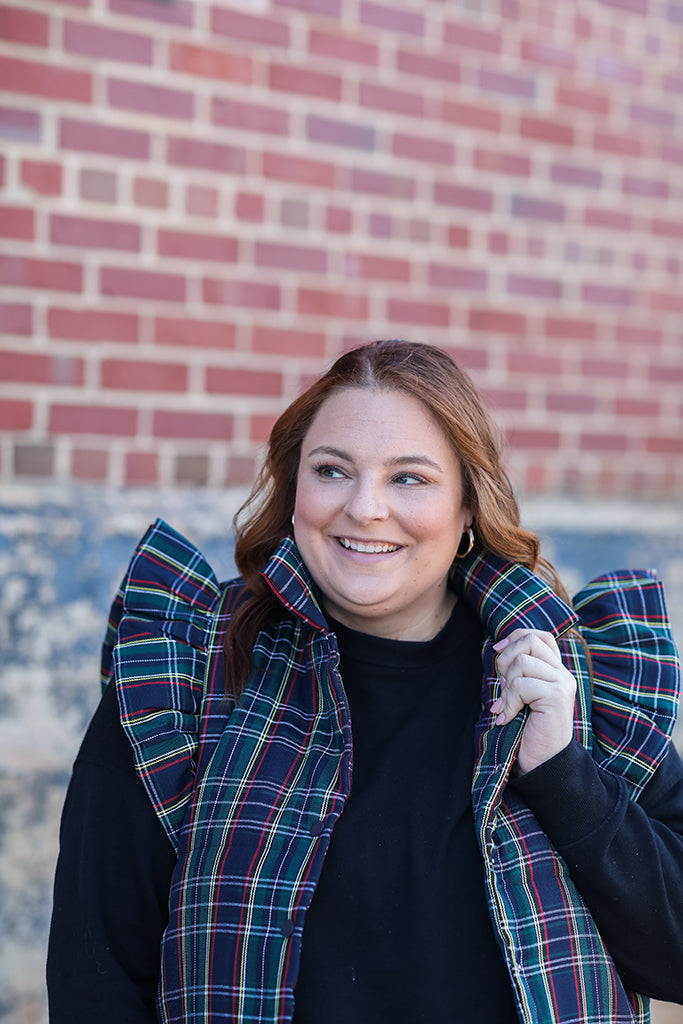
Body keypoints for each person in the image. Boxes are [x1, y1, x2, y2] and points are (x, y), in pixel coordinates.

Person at [47, 339, 683, 1024]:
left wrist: (564, 776)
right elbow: (98, 973)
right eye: (331, 471)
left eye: (408, 478)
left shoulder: (569, 684)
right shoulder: (188, 668)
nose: (364, 508)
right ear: (294, 488)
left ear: (468, 507)